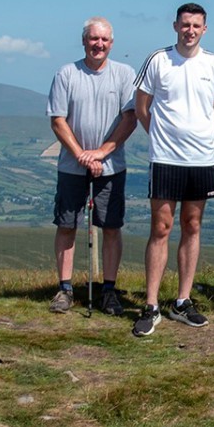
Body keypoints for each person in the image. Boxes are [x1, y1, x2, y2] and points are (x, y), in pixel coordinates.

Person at [132, 2, 214, 337]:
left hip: (201, 159)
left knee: (192, 225)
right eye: (185, 24)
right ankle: (151, 305)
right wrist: (161, 136)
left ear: (205, 29)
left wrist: (200, 135)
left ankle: (181, 301)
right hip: (165, 158)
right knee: (161, 227)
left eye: (196, 25)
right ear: (175, 26)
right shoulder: (158, 60)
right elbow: (142, 106)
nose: (190, 30)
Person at [47, 17, 138, 316]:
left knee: (111, 226)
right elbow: (58, 120)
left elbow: (130, 118)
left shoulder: (124, 74)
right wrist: (81, 155)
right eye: (93, 39)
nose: (98, 44)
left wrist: (100, 153)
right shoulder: (66, 74)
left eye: (104, 40)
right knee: (67, 225)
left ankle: (108, 290)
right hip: (71, 166)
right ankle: (65, 289)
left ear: (112, 43)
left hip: (111, 166)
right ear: (84, 41)